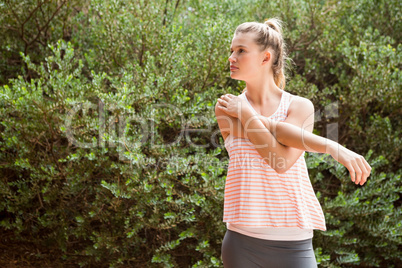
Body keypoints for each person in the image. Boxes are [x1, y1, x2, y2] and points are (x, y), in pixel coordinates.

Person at [214, 18, 371, 268]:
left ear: (265, 58)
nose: (231, 57)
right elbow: (274, 155)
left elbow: (284, 159)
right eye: (231, 50)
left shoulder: (299, 106)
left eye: (241, 51)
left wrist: (332, 146)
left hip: (294, 244)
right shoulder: (227, 108)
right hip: (241, 242)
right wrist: (328, 145)